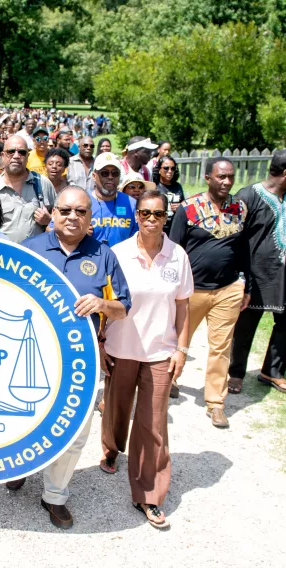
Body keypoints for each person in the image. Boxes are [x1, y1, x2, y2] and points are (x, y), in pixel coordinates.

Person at [11, 185, 131, 529]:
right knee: (26, 417)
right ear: (54, 212)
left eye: (81, 211)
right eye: (65, 210)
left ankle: (55, 495)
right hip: (32, 356)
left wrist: (103, 304)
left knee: (75, 429)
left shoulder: (104, 254)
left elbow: (124, 306)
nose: (72, 217)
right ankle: (23, 466)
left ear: (90, 217)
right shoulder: (30, 249)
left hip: (83, 360)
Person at [101, 189, 192, 529]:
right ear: (136, 216)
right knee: (116, 410)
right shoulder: (117, 253)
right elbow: (104, 303)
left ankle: (149, 495)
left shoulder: (178, 256)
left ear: (166, 217)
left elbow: (183, 306)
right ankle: (111, 449)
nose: (151, 220)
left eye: (158, 214)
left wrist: (181, 350)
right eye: (145, 213)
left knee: (153, 425)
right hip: (121, 347)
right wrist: (100, 345)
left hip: (160, 352)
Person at [229, 150, 286, 395]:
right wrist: (237, 277)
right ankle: (235, 373)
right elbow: (233, 239)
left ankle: (272, 372)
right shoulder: (247, 196)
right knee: (246, 326)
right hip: (255, 276)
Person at [169, 158, 250, 428]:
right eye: (221, 176)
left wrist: (244, 283)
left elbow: (243, 249)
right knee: (177, 340)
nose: (226, 182)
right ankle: (169, 381)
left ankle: (215, 403)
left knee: (220, 347)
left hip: (227, 289)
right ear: (208, 177)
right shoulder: (188, 208)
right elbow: (173, 249)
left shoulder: (240, 209)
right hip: (191, 290)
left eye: (230, 177)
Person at [0, 135, 56, 244]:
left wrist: (50, 221)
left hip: (35, 255)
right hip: (3, 256)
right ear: (3, 156)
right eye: (11, 151)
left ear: (27, 156)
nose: (16, 156)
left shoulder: (43, 183)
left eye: (22, 152)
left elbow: (60, 218)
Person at [89, 153, 139, 247]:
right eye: (105, 173)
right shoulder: (82, 202)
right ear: (94, 176)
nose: (110, 177)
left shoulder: (132, 204)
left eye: (115, 173)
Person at [153, 155, 184, 234]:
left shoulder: (178, 187)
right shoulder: (154, 187)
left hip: (176, 227)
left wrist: (180, 207)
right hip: (159, 227)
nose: (170, 171)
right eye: (166, 168)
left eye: (173, 168)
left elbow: (185, 205)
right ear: (159, 170)